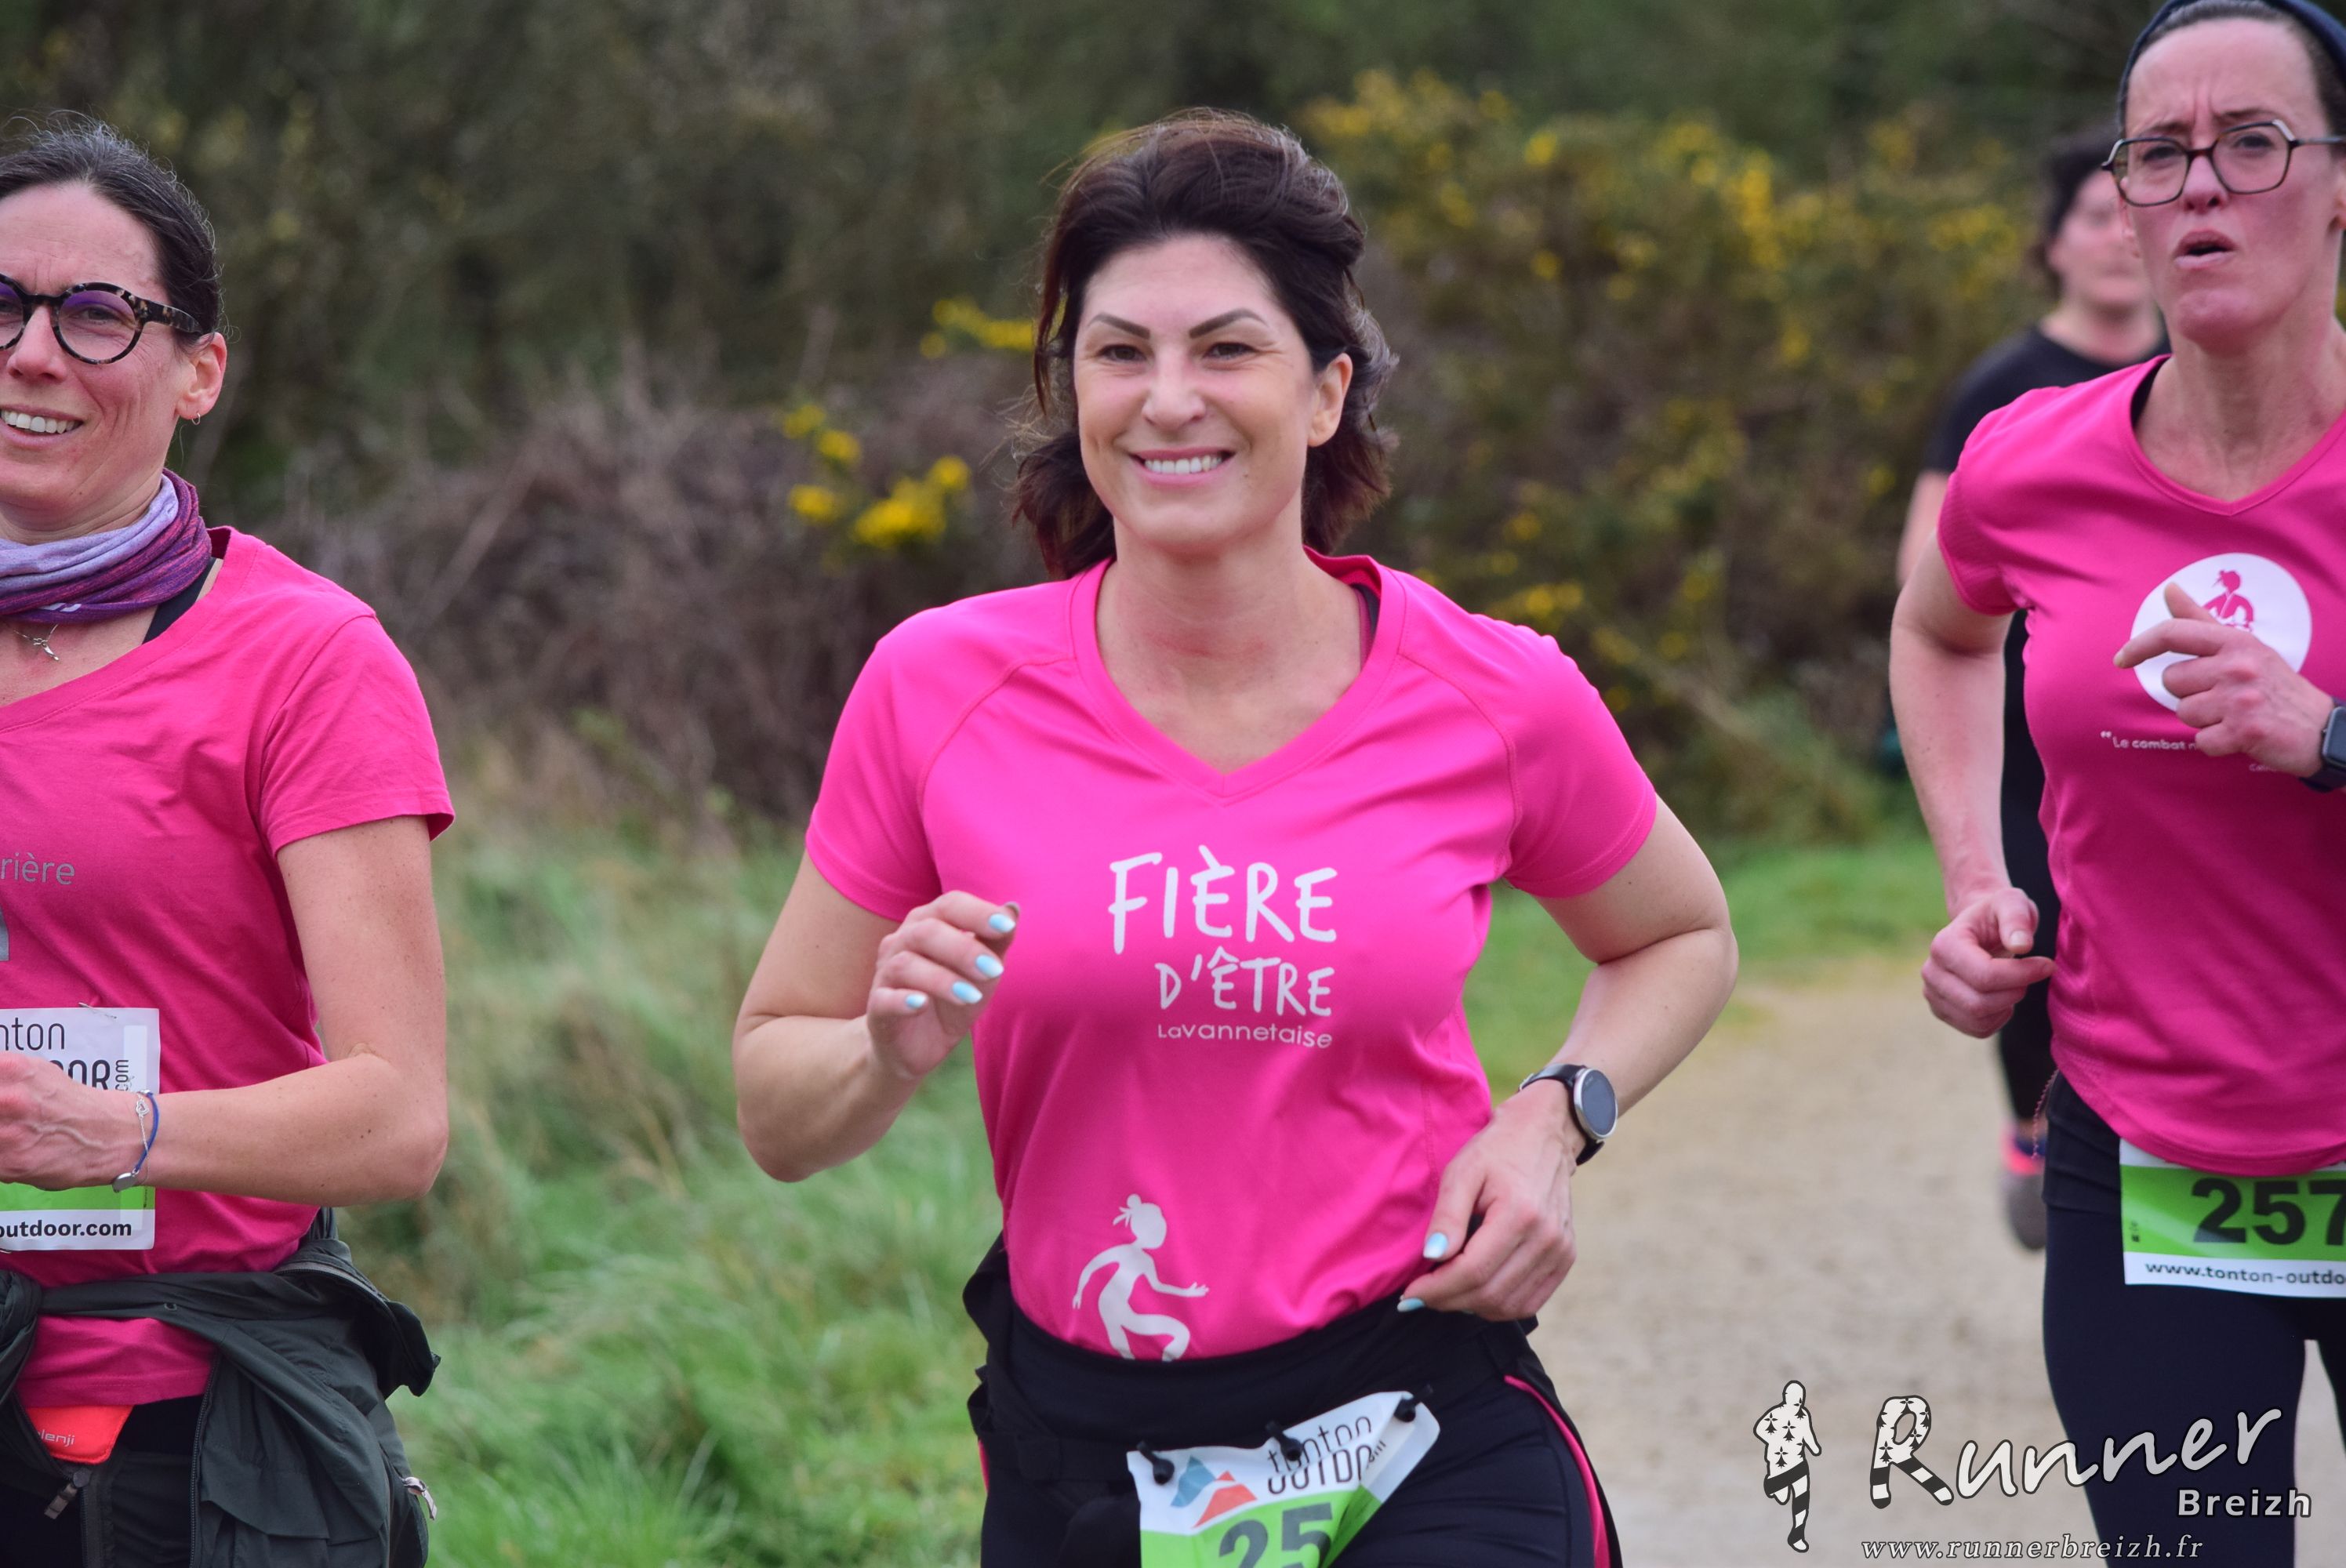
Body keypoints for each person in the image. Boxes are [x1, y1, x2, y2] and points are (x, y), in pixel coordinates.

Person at [733, 111, 1738, 1566]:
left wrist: (1553, 1116)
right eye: (1119, 352)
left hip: (1416, 1417)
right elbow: (775, 1108)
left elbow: (1680, 932)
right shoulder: (938, 690)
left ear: (1327, 392)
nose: (1168, 401)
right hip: (1085, 1450)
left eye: (1225, 349)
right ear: (1072, 391)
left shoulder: (1491, 692)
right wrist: (882, 1050)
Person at [1890, 2, 2346, 1558]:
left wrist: (2329, 737)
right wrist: (1977, 879)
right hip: (2140, 1154)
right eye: (2159, 154)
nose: (2200, 184)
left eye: (2252, 143)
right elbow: (1937, 630)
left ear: (2338, 186)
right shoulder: (2033, 459)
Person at [0, 118, 451, 1566]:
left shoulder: (306, 658)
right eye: (1, 306)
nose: (32, 353)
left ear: (200, 372)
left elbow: (398, 1119)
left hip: (188, 1439)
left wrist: (122, 1134)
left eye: (95, 315)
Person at [1891, 130, 2164, 1251]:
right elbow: (1927, 574)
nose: (2118, 238)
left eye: (2129, 214)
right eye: (2093, 217)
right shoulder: (2002, 390)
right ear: (2052, 245)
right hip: (2026, 729)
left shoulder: (2205, 377)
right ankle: (2041, 1131)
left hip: (2174, 720)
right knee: (2034, 927)